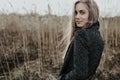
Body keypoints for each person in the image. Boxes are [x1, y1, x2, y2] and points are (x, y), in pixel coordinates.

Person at [57, 0, 104, 80]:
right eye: (76, 12)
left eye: (82, 12)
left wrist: (62, 78)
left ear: (92, 14)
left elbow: (79, 73)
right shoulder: (98, 37)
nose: (77, 17)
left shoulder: (81, 35)